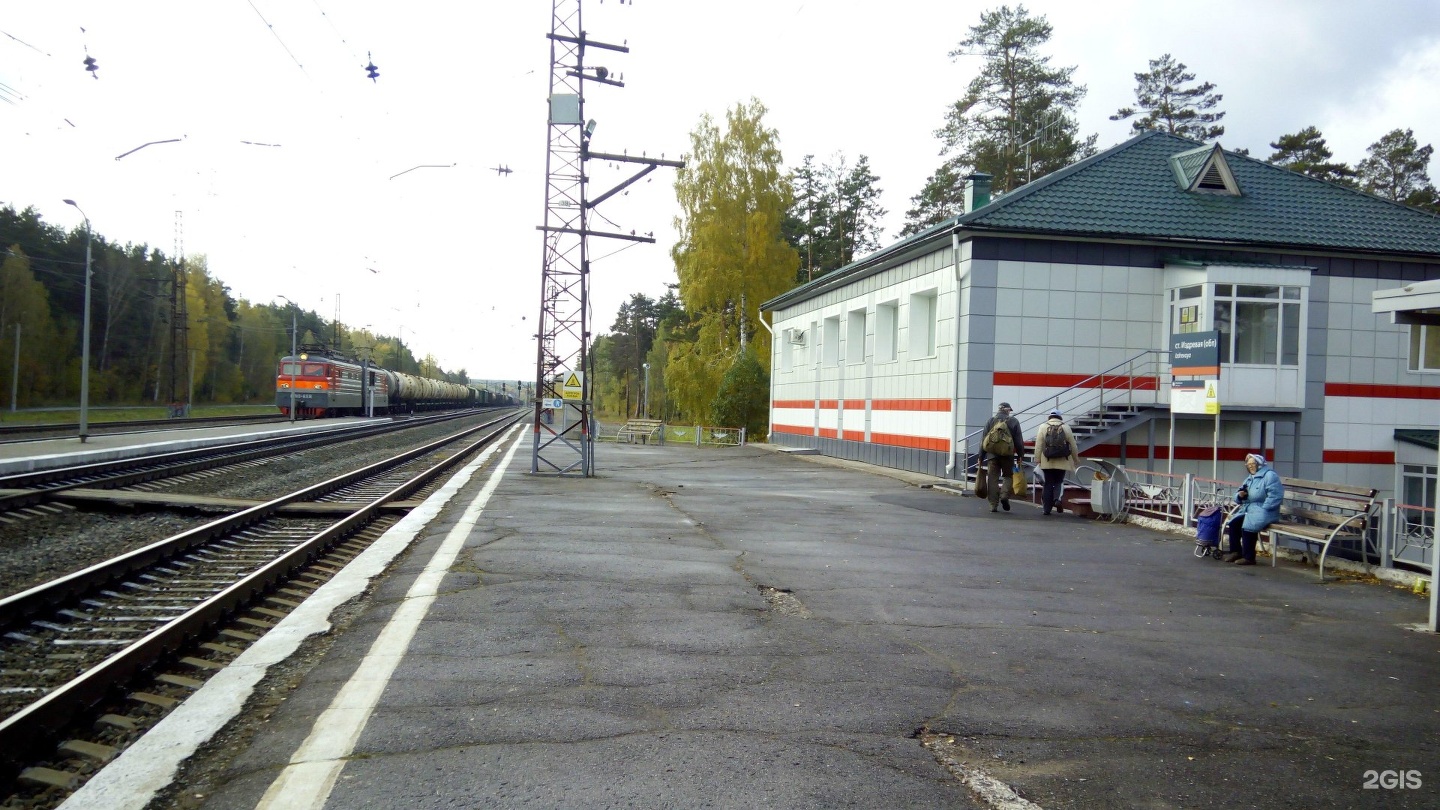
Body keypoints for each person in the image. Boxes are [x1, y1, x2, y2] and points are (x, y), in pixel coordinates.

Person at [1223, 453, 1284, 565]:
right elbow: (1236, 495)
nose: (1250, 466)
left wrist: (1264, 508)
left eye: (1253, 463)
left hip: (1267, 510)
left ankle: (1249, 557)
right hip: (1250, 509)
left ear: (1259, 464)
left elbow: (1276, 496)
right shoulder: (1249, 478)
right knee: (1234, 523)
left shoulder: (1270, 475)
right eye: (1248, 464)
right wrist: (1240, 496)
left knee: (1249, 526)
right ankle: (1236, 552)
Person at [978, 402, 1024, 513]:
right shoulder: (1014, 421)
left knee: (993, 478)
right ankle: (1004, 495)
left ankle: (993, 505)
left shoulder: (990, 421)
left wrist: (981, 456)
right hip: (1008, 455)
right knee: (1008, 476)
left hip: (992, 455)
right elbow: (1018, 440)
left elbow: (984, 440)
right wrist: (1020, 455)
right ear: (1007, 410)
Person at [1032, 409, 1079, 515]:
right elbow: (1073, 445)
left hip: (1047, 460)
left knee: (1048, 484)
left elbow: (1039, 444)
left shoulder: (1043, 427)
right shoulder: (1066, 427)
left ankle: (1046, 509)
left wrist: (1037, 458)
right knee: (1058, 481)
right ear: (1060, 417)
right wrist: (1076, 459)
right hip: (1062, 460)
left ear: (1050, 417)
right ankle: (1057, 499)